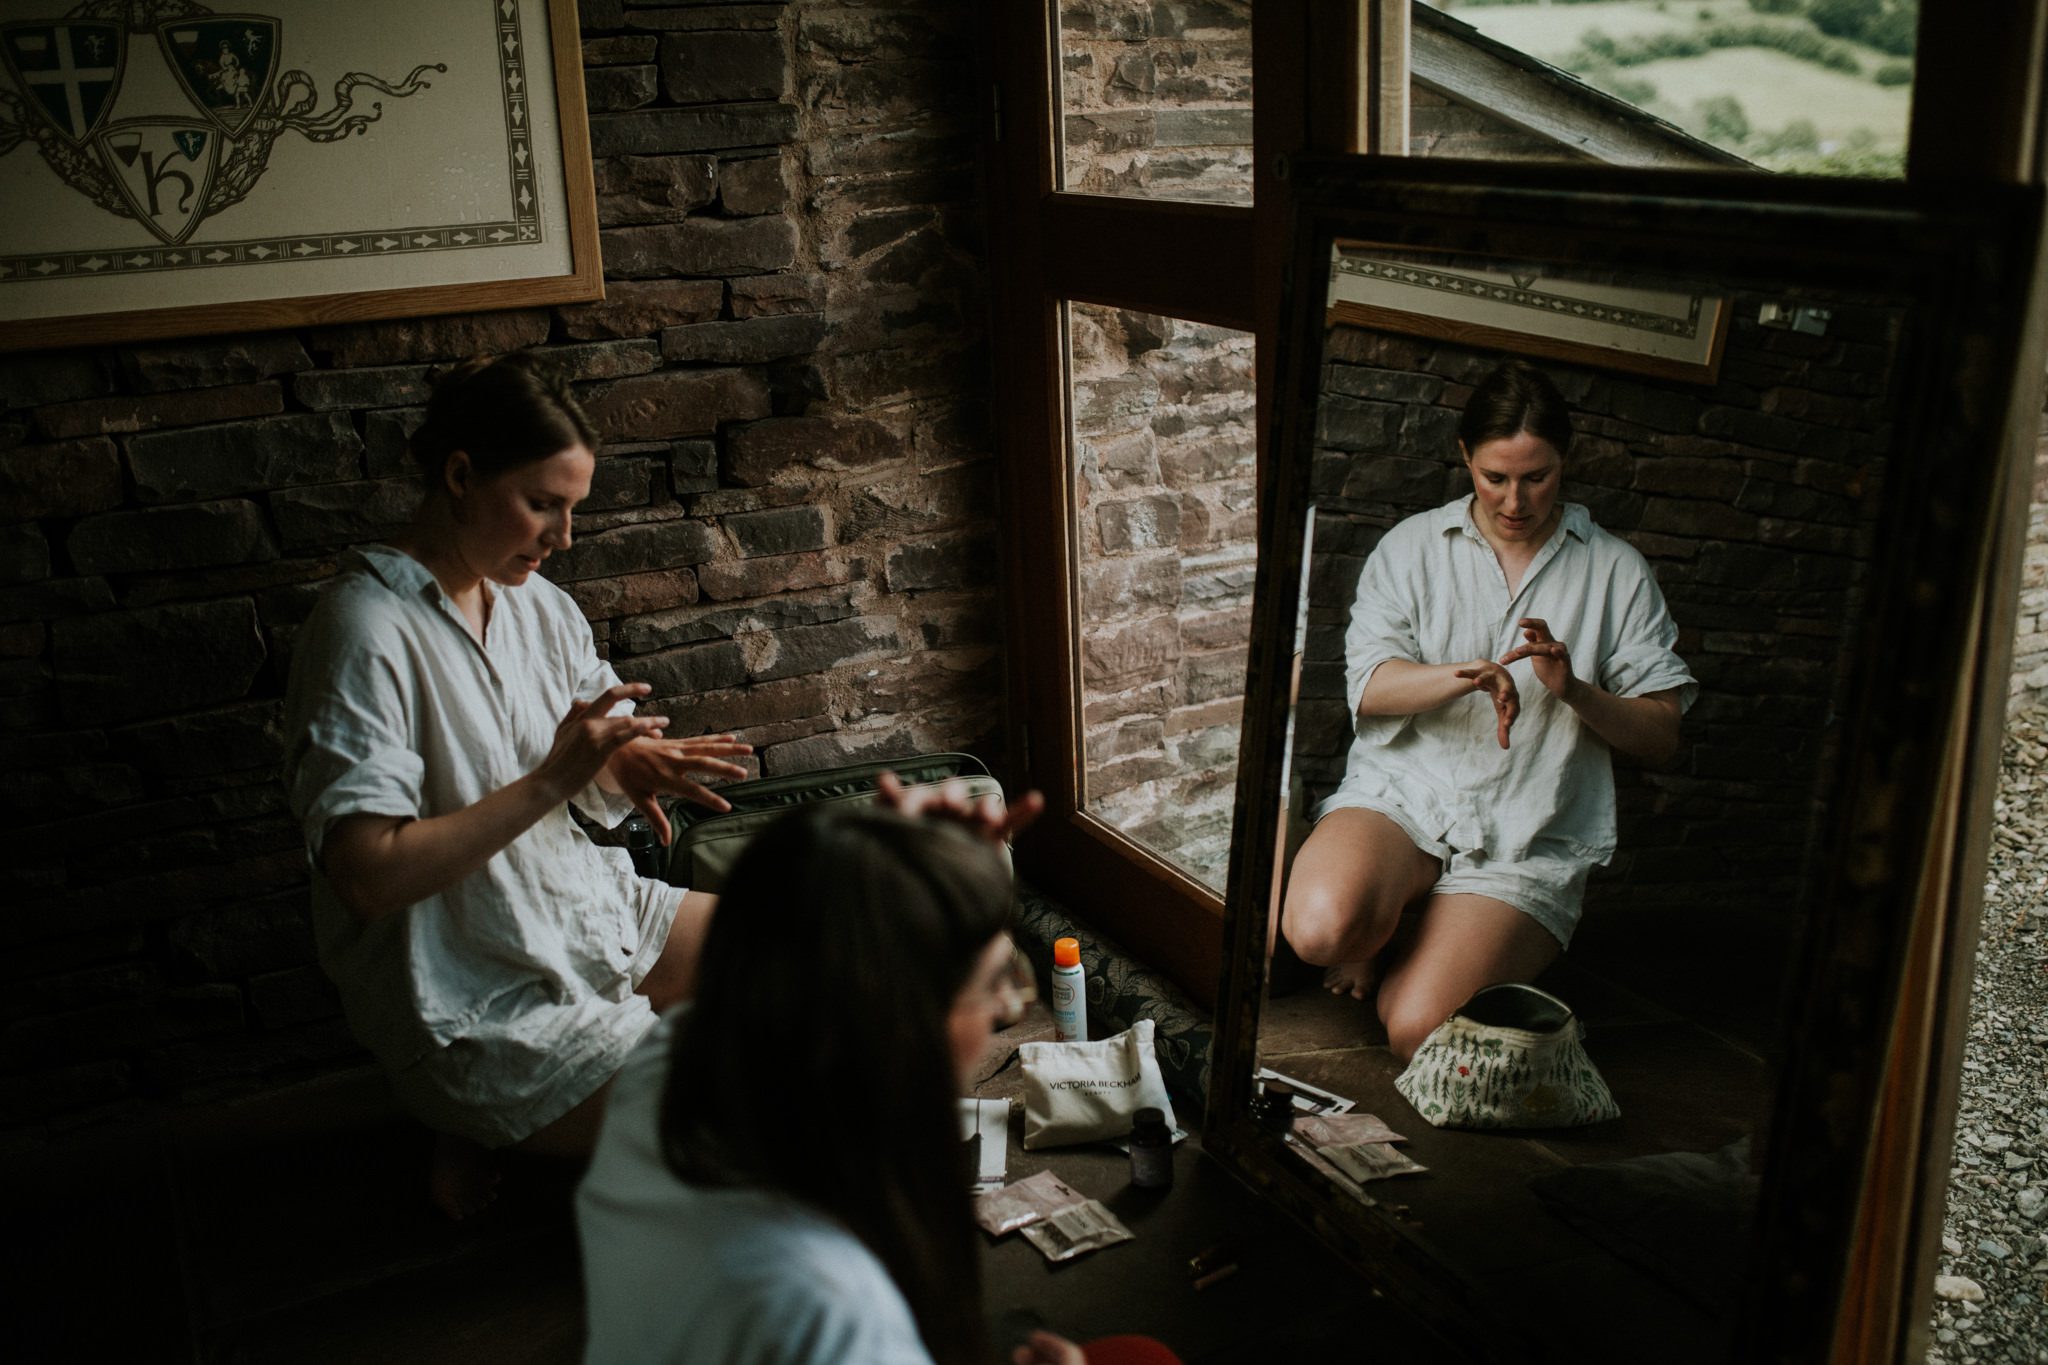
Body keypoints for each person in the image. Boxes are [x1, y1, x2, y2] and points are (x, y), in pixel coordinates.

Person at [282, 353, 753, 1216]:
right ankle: (474, 1108)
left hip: (573, 906)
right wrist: (549, 782)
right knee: (745, 1113)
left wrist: (623, 763)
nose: (563, 536)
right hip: (471, 985)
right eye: (543, 504)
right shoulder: (364, 631)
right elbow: (365, 875)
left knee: (812, 947)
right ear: (460, 475)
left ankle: (526, 1121)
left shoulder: (535, 605)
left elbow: (579, 755)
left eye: (572, 509)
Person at [576, 805, 1173, 1365]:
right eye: (995, 980)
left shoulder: (674, 1059)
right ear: (902, 1022)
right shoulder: (830, 1312)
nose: (1008, 1010)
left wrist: (917, 876)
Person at [1279, 358, 1697, 1061]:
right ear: (1465, 455)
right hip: (1402, 798)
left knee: (1414, 1027)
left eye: (1537, 476)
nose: (1514, 500)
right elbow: (1371, 688)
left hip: (1524, 836)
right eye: (1495, 476)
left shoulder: (1616, 569)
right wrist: (1465, 675)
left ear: (1565, 462)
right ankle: (1385, 916)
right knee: (1321, 930)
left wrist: (1574, 691)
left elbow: (1663, 738)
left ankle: (1413, 933)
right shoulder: (1412, 547)